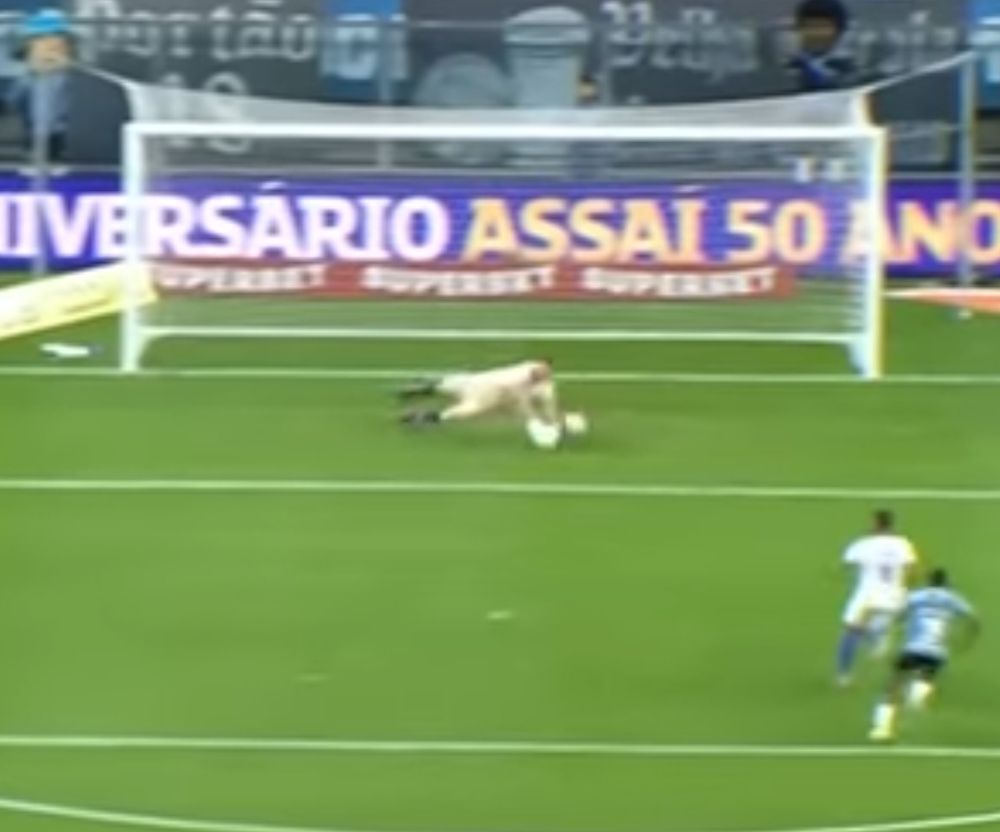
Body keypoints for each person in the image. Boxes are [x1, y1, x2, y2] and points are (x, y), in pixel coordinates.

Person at [869, 568, 980, 742]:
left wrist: (890, 631)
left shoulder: (915, 596)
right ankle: (918, 696)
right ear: (946, 584)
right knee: (927, 675)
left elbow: (897, 616)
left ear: (928, 582)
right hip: (936, 652)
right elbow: (974, 618)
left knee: (893, 686)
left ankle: (882, 729)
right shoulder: (951, 599)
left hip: (913, 649)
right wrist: (967, 641)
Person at [836, 509, 920, 687]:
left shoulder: (864, 544)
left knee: (850, 632)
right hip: (894, 598)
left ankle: (844, 675)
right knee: (874, 623)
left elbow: (847, 563)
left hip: (868, 598)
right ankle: (878, 636)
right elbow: (912, 569)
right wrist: (903, 590)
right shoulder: (902, 544)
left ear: (875, 524)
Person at [399, 359, 560, 428]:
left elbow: (548, 404)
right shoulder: (521, 374)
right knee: (455, 385)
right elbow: (521, 402)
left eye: (543, 372)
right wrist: (536, 419)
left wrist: (552, 421)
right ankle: (424, 389)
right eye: (538, 370)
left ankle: (427, 416)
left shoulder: (545, 386)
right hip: (485, 384)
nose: (539, 373)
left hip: (489, 394)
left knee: (466, 409)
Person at [787, 0, 856, 92]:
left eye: (824, 26)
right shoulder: (790, 66)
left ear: (838, 32)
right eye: (810, 26)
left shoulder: (848, 69)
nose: (816, 33)